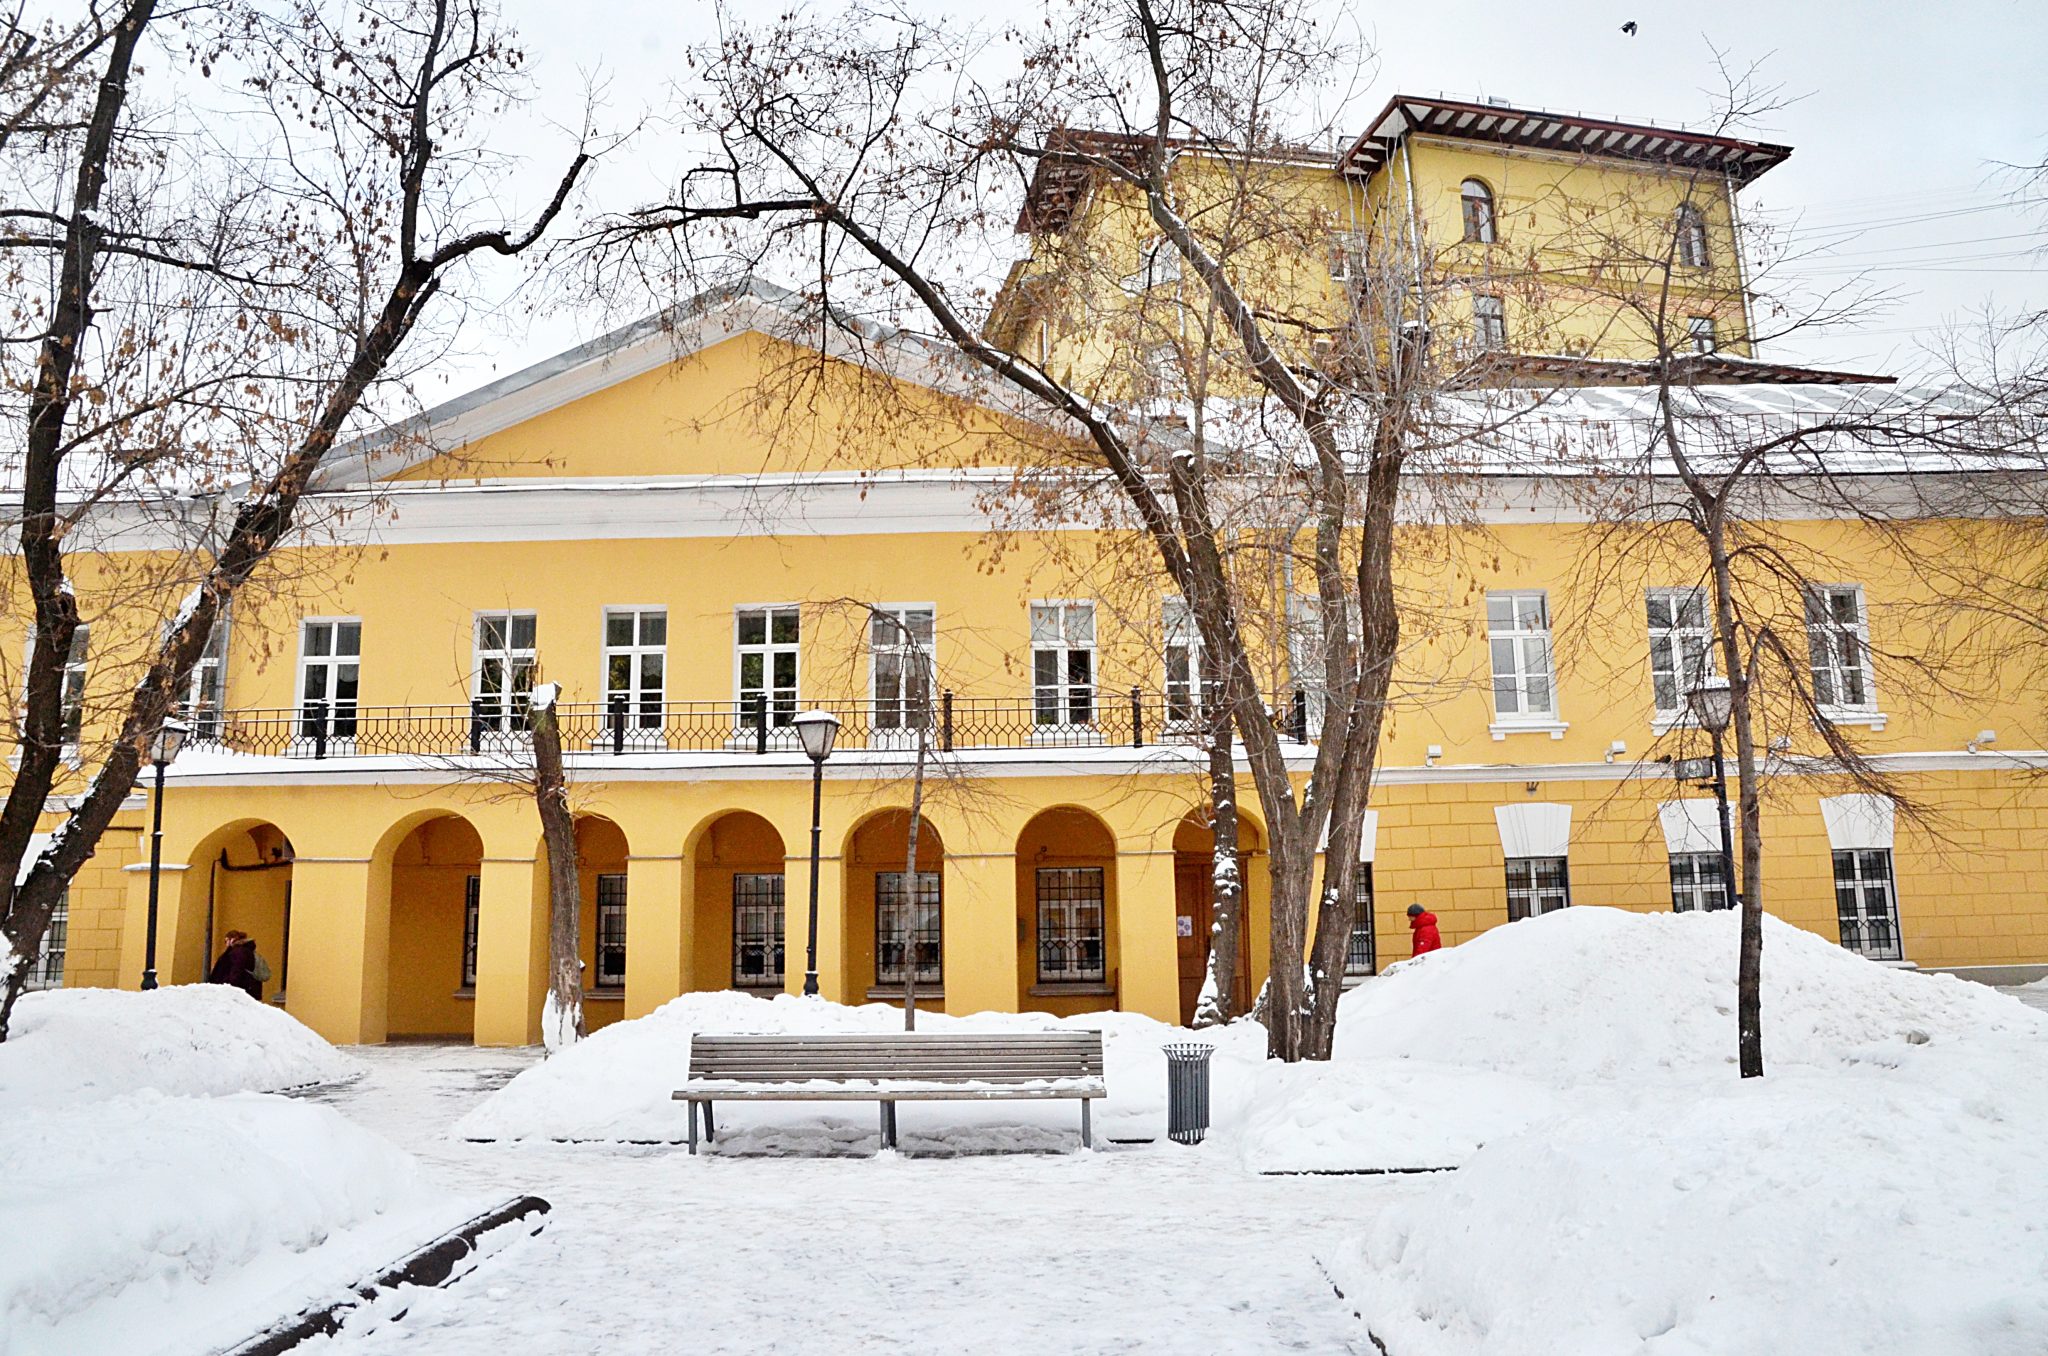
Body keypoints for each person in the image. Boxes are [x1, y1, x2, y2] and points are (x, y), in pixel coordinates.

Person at [207, 930, 264, 1000]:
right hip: (248, 989)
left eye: (226, 941)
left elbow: (236, 972)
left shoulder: (238, 952)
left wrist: (230, 987)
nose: (226, 944)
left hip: (239, 991)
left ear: (232, 939)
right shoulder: (247, 951)